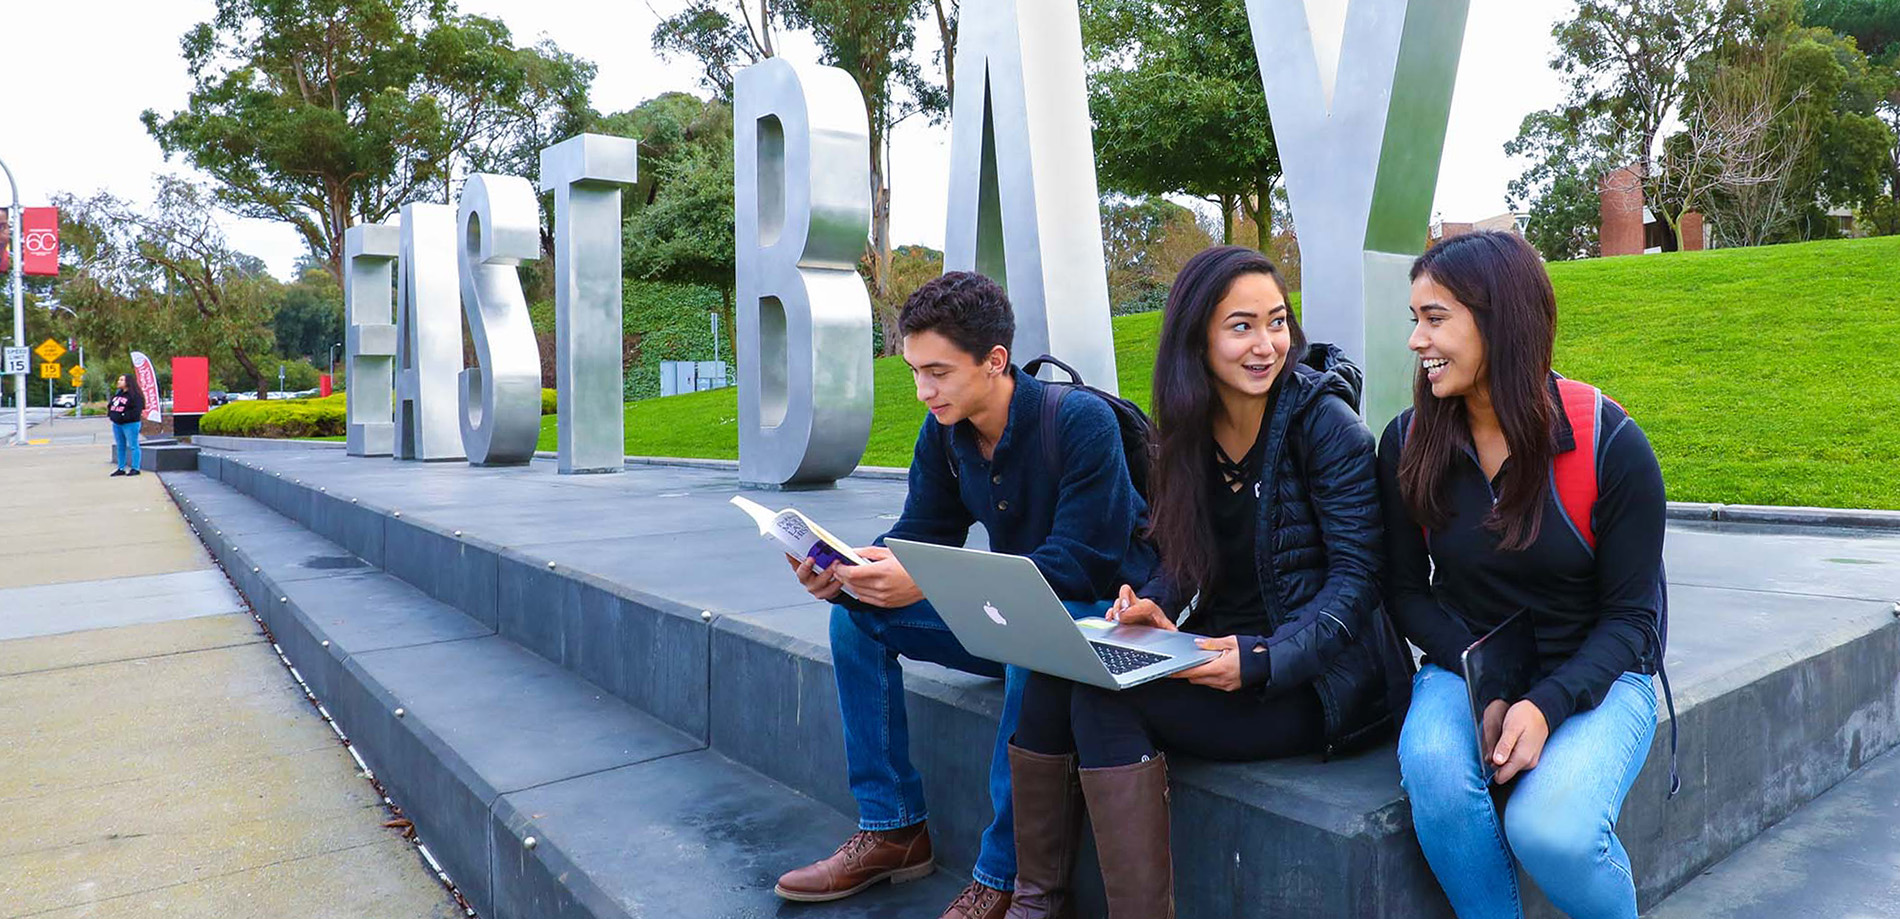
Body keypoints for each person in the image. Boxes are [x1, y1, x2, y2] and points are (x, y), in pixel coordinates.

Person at [1004, 246, 1413, 918]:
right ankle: (1035, 899)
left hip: (1319, 680)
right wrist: (1154, 605)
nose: (1266, 344)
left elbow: (1358, 581)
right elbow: (1190, 560)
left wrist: (1265, 658)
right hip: (1220, 649)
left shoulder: (1327, 426)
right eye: (1242, 326)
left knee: (1107, 700)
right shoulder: (1191, 429)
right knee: (1061, 665)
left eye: (1276, 322)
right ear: (1198, 337)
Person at [772, 271, 1156, 919]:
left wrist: (927, 576)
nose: (924, 391)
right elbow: (917, 536)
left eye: (939, 372)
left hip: (1108, 623)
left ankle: (1003, 875)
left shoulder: (1081, 421)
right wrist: (847, 573)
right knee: (856, 619)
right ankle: (894, 827)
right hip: (1013, 616)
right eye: (916, 372)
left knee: (1028, 643)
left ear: (994, 360)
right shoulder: (945, 434)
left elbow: (1079, 565)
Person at [1379, 231, 1669, 919]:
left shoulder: (1610, 441)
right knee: (1436, 775)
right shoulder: (1406, 441)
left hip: (1599, 674)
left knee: (1551, 829)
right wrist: (1488, 685)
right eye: (1414, 319)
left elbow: (1632, 620)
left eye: (1435, 317)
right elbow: (1404, 592)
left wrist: (1543, 703)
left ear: (1499, 318)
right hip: (1466, 666)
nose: (1418, 340)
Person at [107, 374, 145, 477]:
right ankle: (121, 468)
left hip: (130, 424)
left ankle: (135, 468)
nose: (119, 381)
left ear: (128, 382)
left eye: (121, 380)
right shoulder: (118, 394)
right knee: (120, 446)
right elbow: (111, 405)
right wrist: (112, 415)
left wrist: (124, 416)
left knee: (133, 445)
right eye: (119, 379)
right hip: (117, 424)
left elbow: (137, 411)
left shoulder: (135, 395)